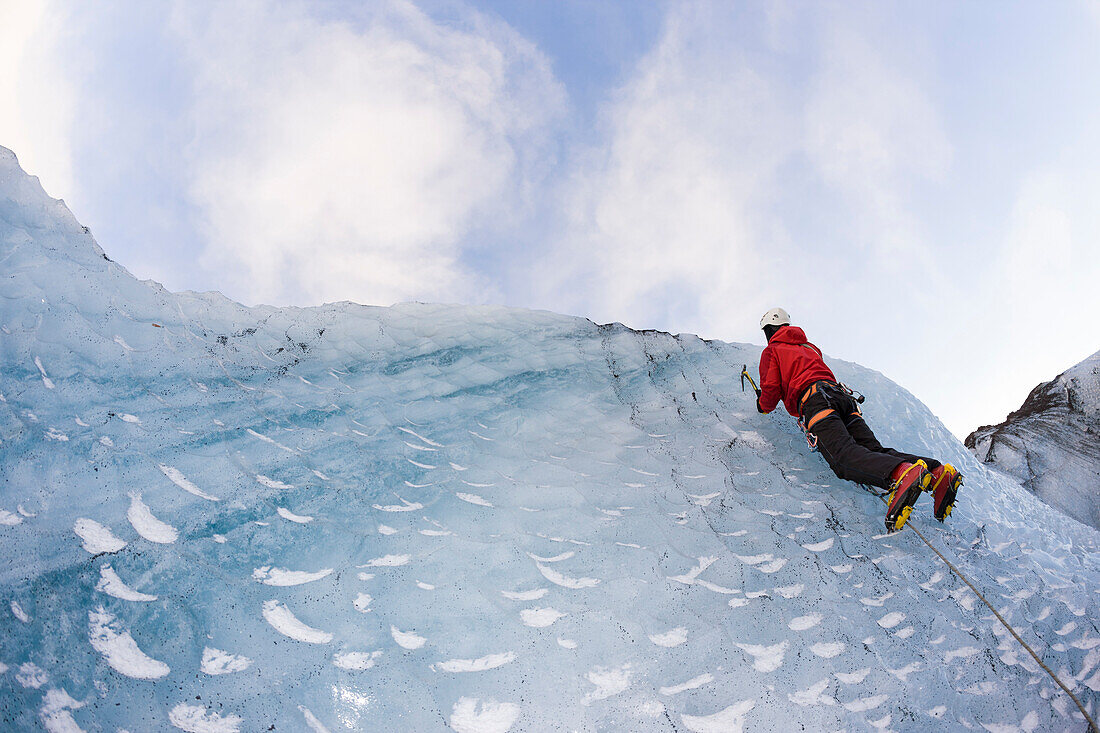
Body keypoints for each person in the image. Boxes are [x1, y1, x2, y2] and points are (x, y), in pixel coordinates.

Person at [754, 307, 962, 532]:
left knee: (843, 457)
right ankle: (938, 472)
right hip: (843, 399)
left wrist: (762, 406)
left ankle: (900, 473)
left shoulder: (773, 350)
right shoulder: (809, 347)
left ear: (769, 329)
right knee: (872, 449)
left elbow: (772, 388)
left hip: (816, 402)